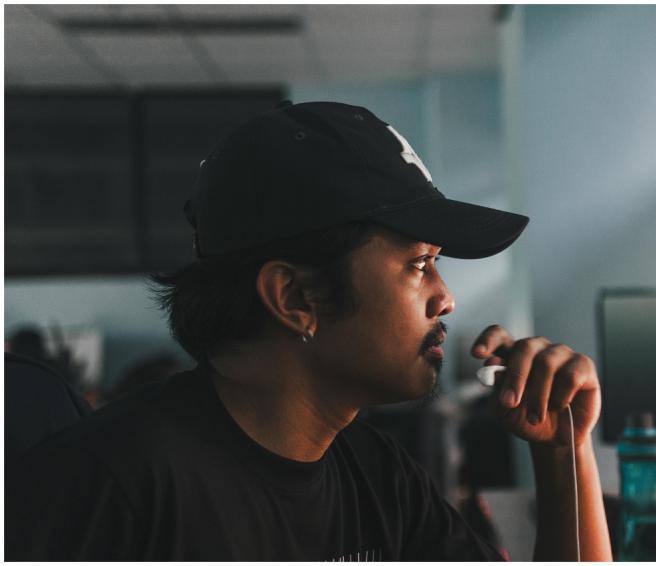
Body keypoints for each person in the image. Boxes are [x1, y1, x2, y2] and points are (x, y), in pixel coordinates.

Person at [6, 101, 612, 561]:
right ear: (296, 298)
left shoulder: (376, 472)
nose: (446, 297)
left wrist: (563, 451)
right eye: (419, 264)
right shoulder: (118, 487)